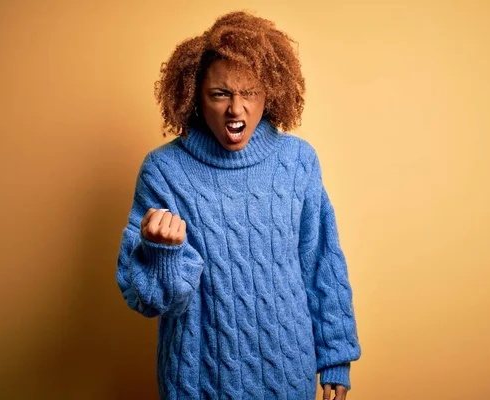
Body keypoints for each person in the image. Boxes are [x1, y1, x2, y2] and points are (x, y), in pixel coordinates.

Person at [116, 10, 361, 400]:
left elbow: (321, 263)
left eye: (249, 93)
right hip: (198, 380)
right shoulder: (163, 171)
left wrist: (335, 355)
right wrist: (162, 254)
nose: (236, 109)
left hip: (289, 372)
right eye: (221, 94)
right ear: (195, 94)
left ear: (271, 92)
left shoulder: (298, 162)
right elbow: (148, 302)